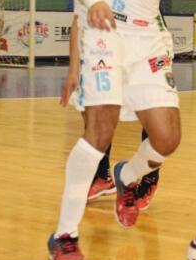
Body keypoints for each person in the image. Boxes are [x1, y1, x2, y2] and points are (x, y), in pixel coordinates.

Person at [48, 0, 195, 260]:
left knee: (167, 138)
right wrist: (94, 1)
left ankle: (127, 178)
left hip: (148, 36)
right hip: (107, 32)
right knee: (100, 131)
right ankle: (64, 235)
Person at [61, 16, 161, 208]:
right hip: (110, 42)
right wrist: (73, 70)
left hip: (145, 37)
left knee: (152, 110)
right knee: (94, 108)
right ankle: (102, 175)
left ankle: (150, 178)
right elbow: (76, 22)